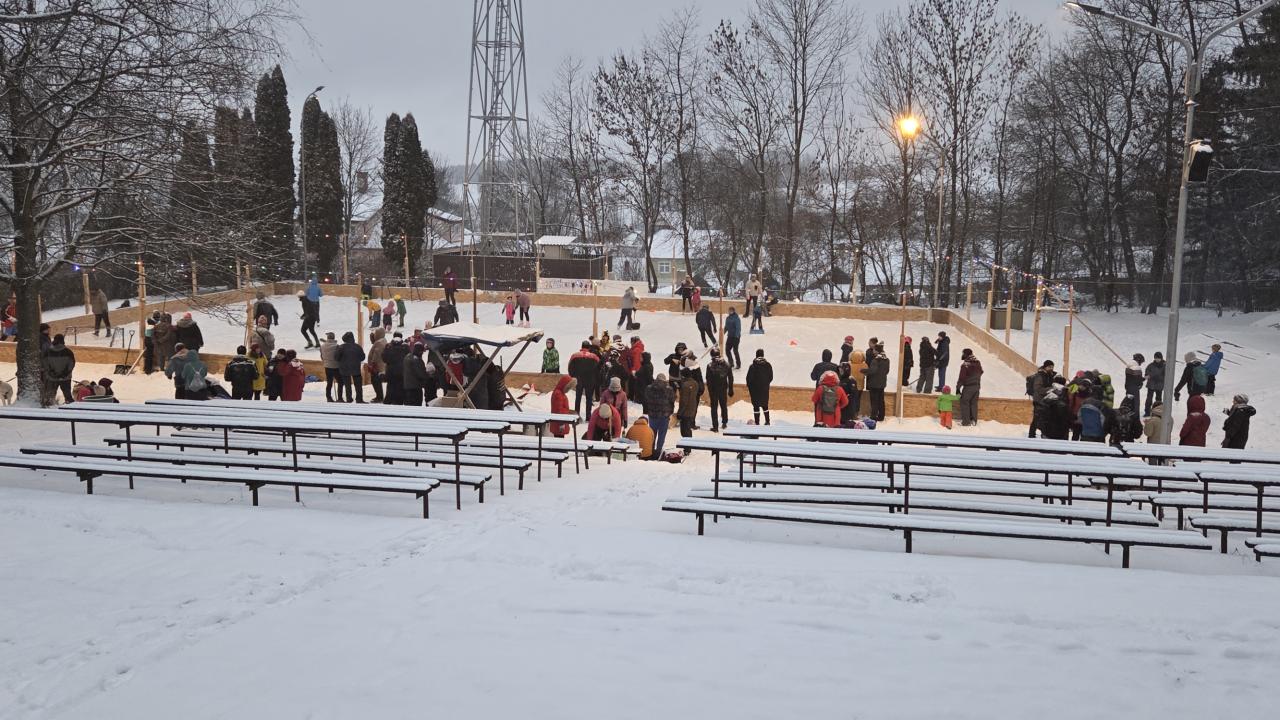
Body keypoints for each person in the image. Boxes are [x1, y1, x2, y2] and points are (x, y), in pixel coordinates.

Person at [643, 373, 675, 458]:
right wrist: (670, 412)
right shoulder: (669, 389)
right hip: (664, 416)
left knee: (652, 434)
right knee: (662, 435)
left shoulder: (649, 388)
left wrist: (647, 410)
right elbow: (672, 402)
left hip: (652, 415)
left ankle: (650, 451)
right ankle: (658, 451)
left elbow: (645, 400)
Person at [568, 340, 601, 416]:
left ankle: (576, 414)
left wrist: (573, 377)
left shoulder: (574, 355)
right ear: (589, 347)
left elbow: (570, 368)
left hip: (578, 380)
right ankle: (588, 416)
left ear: (582, 346)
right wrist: (595, 378)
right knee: (589, 399)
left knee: (578, 398)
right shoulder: (594, 356)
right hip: (590, 380)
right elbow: (598, 369)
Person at [41, 334, 76, 404]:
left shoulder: (48, 352)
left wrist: (52, 373)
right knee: (68, 396)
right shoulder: (68, 352)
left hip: (52, 378)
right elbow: (71, 364)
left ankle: (49, 407)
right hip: (65, 378)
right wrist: (64, 373)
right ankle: (70, 407)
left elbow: (45, 364)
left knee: (50, 397)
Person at [705, 348, 734, 432]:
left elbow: (708, 379)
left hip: (714, 390)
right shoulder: (726, 364)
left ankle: (715, 427)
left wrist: (710, 390)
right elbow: (731, 377)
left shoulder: (710, 366)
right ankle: (724, 423)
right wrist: (730, 389)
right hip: (723, 388)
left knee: (714, 408)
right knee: (723, 406)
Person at [1027, 360, 1056, 438]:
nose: (1051, 368)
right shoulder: (1040, 376)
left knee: (1044, 418)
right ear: (1045, 367)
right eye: (1049, 367)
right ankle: (1032, 434)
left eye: (1052, 367)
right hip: (1038, 400)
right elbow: (1038, 389)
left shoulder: (1050, 375)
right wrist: (1050, 389)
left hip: (1046, 400)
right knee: (1037, 418)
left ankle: (1043, 434)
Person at [862, 345, 890, 422]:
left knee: (874, 401)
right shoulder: (887, 359)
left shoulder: (875, 360)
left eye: (874, 350)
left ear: (877, 351)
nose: (873, 351)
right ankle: (881, 416)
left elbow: (872, 371)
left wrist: (863, 371)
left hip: (874, 384)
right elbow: (887, 371)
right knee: (881, 400)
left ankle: (873, 416)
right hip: (882, 383)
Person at [956, 348, 983, 427]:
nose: (962, 355)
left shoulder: (965, 365)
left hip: (969, 387)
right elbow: (981, 372)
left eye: (963, 353)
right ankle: (973, 420)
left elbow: (962, 378)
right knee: (973, 403)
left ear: (965, 354)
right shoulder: (977, 362)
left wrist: (958, 388)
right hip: (977, 386)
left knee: (964, 402)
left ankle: (966, 422)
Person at [746, 349, 773, 426]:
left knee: (756, 406)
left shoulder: (753, 366)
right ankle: (767, 421)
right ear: (763, 355)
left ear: (756, 355)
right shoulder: (768, 365)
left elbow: (748, 379)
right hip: (764, 389)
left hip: (755, 390)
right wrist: (765, 384)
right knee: (765, 406)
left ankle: (757, 422)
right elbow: (771, 377)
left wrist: (751, 387)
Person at [336, 331, 366, 403]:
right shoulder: (358, 347)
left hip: (344, 369)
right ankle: (359, 399)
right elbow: (362, 357)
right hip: (356, 369)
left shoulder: (341, 347)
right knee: (358, 385)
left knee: (347, 385)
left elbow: (336, 358)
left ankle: (349, 399)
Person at [381, 333, 409, 404]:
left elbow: (384, 358)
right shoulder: (405, 347)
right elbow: (408, 358)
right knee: (400, 391)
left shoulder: (388, 346)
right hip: (402, 373)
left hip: (390, 373)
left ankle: (388, 403)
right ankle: (398, 403)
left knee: (390, 390)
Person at [677, 368, 700, 439]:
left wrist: (680, 413)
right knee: (688, 429)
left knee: (684, 431)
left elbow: (684, 401)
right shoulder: (695, 383)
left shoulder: (685, 385)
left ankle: (688, 445)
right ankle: (688, 444)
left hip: (685, 412)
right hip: (692, 408)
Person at [319, 332, 341, 402]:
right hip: (336, 367)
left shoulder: (322, 346)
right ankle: (340, 398)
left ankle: (328, 397)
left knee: (329, 383)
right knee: (340, 382)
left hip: (327, 367)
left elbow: (322, 357)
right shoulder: (337, 346)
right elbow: (339, 357)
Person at [368, 328, 387, 402]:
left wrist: (372, 363)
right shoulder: (383, 340)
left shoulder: (379, 343)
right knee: (377, 382)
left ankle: (379, 397)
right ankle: (379, 396)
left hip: (376, 366)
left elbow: (377, 354)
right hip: (380, 365)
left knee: (375, 382)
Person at [1143, 352, 1165, 417]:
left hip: (1159, 385)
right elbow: (1147, 372)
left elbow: (1165, 375)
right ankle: (1147, 412)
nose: (1157, 359)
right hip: (1151, 385)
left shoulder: (1164, 366)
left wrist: (1154, 376)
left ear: (1161, 358)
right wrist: (1147, 375)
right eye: (1156, 358)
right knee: (1149, 399)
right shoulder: (1151, 365)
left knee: (1158, 399)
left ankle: (1158, 413)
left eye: (1158, 358)